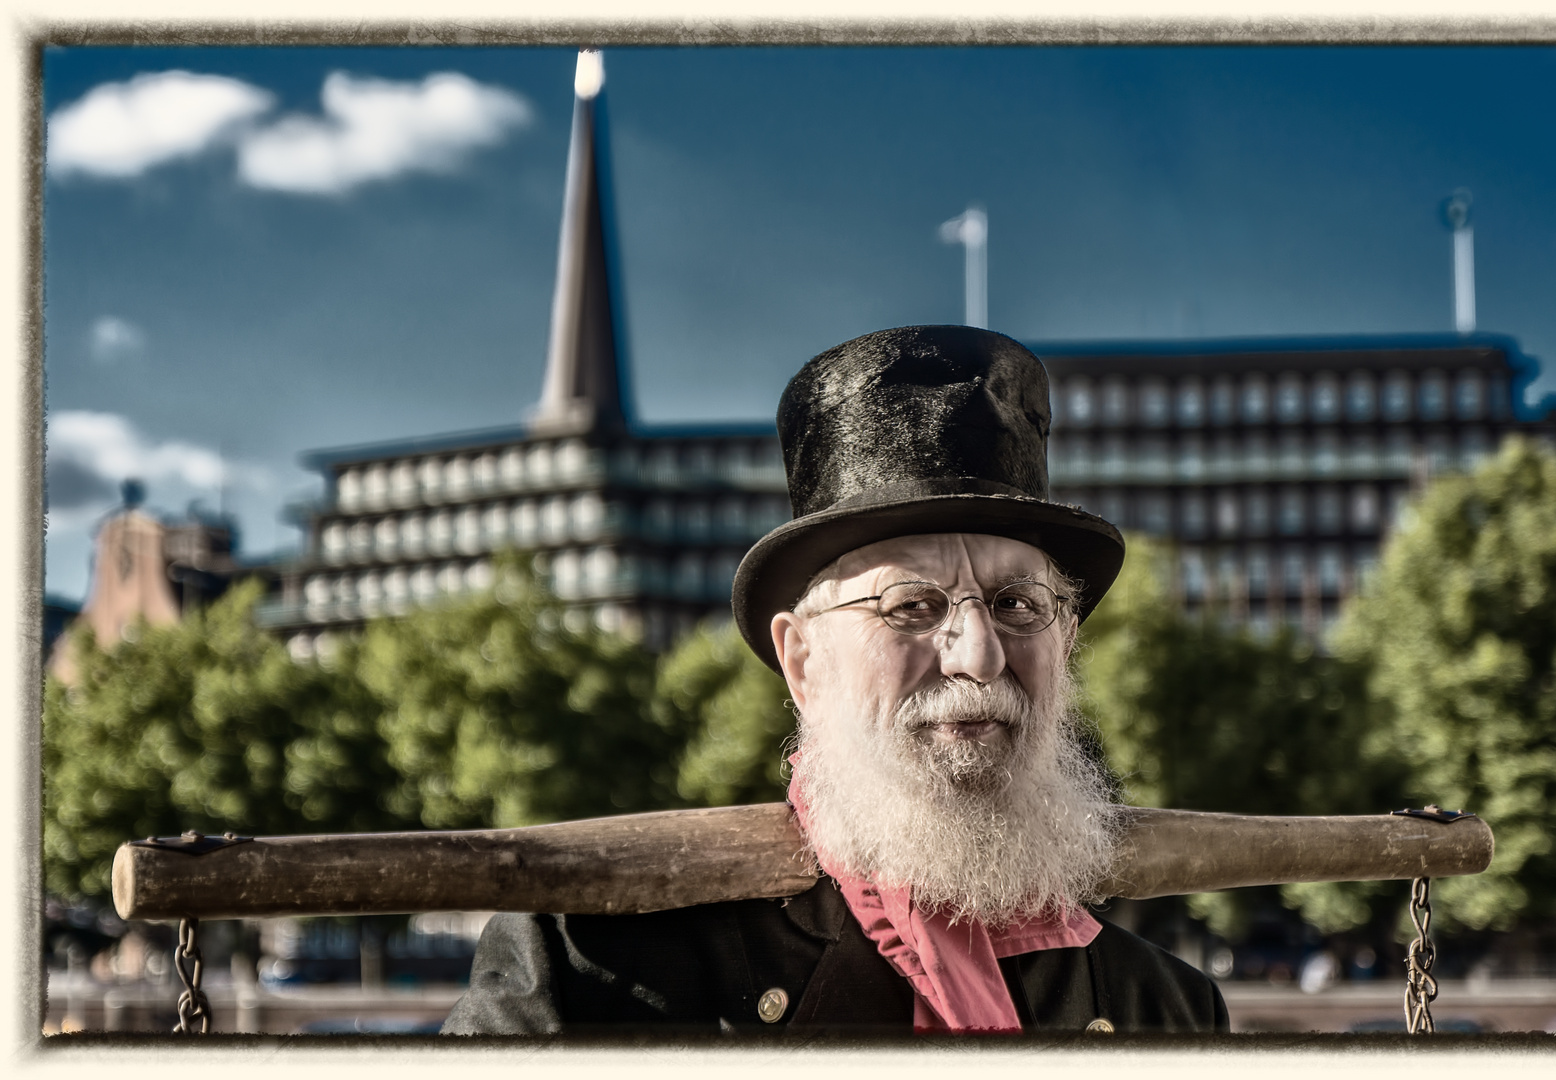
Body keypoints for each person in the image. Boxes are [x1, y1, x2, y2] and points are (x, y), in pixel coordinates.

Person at [442, 325, 1228, 1036]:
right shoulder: (590, 966)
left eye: (1019, 604)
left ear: (1067, 643)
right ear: (803, 662)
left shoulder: (1168, 1012)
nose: (980, 656)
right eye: (911, 605)